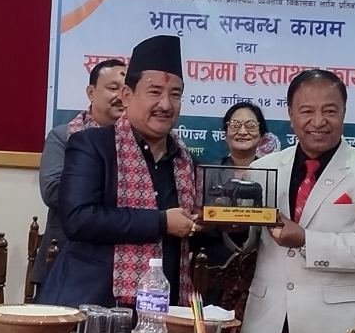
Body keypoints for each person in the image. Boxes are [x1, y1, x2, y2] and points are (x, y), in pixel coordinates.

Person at [40, 34, 201, 308]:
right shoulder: (91, 145)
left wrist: (206, 224)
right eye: (155, 92)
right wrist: (161, 222)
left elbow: (188, 230)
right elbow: (78, 219)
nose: (165, 104)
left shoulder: (184, 159)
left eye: (175, 94)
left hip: (162, 308)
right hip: (90, 305)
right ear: (127, 95)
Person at [240, 70, 355, 333]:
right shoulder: (262, 168)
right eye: (307, 111)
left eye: (329, 111)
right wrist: (231, 228)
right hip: (267, 323)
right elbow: (247, 240)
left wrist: (306, 240)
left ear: (344, 113)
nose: (318, 121)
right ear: (291, 114)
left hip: (336, 328)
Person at [33, 57, 126, 286]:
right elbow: (52, 192)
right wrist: (122, 190)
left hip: (121, 258)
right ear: (91, 92)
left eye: (126, 90)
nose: (120, 96)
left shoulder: (137, 142)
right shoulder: (63, 136)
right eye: (113, 88)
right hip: (65, 251)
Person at [210, 101, 270, 169]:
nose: (242, 132)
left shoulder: (269, 172)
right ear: (226, 134)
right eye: (235, 125)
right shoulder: (209, 171)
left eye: (250, 125)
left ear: (261, 136)